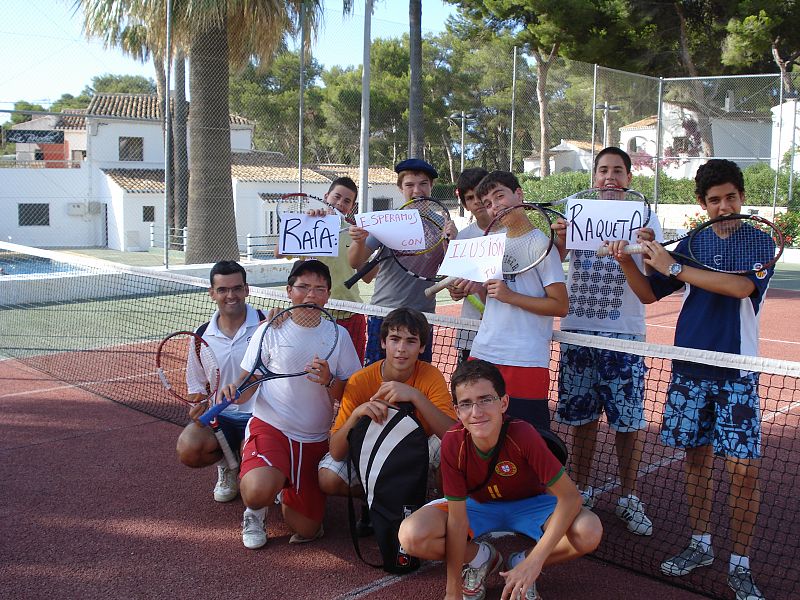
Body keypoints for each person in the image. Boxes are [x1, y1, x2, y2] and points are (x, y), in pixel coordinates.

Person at [608, 159, 771, 600]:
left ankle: (740, 563)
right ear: (702, 204)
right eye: (714, 200)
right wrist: (629, 260)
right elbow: (647, 293)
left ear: (741, 197)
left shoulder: (759, 241)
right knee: (695, 461)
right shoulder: (692, 242)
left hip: (737, 371)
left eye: (731, 197)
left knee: (743, 471)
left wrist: (674, 267)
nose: (724, 206)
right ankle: (701, 543)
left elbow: (739, 288)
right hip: (688, 369)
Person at [398, 359, 602, 600]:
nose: (476, 412)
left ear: (503, 402)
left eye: (486, 399)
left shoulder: (523, 435)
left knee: (589, 530)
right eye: (466, 403)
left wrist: (534, 562)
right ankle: (481, 558)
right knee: (411, 535)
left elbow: (570, 497)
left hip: (530, 503)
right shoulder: (453, 442)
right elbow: (457, 521)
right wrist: (451, 591)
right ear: (457, 411)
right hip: (477, 505)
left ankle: (521, 562)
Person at [551, 147, 662, 536]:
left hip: (625, 338)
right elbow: (555, 259)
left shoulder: (646, 219)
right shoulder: (575, 213)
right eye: (603, 170)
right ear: (594, 177)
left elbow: (652, 283)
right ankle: (582, 490)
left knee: (627, 424)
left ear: (629, 179)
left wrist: (646, 247)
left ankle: (629, 496)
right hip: (577, 334)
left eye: (617, 170)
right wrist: (560, 238)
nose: (610, 177)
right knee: (581, 421)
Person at [218, 259, 362, 550]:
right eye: (303, 287)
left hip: (314, 438)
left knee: (307, 530)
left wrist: (328, 380)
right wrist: (234, 391)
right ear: (288, 291)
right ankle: (255, 512)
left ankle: (284, 487)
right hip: (272, 426)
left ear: (328, 295)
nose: (311, 295)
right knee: (257, 491)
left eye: (319, 288)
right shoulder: (269, 329)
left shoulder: (340, 335)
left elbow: (348, 393)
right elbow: (247, 385)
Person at [318, 308, 457, 504]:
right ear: (383, 343)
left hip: (417, 452)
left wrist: (416, 397)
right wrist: (357, 413)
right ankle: (382, 499)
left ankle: (443, 510)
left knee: (451, 447)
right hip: (374, 454)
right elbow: (336, 452)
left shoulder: (431, 376)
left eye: (411, 341)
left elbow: (453, 434)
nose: (401, 348)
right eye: (395, 339)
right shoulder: (360, 380)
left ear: (422, 347)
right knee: (328, 478)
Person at [468, 171, 568, 431]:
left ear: (519, 194)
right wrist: (472, 287)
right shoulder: (490, 243)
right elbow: (489, 296)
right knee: (479, 433)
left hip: (525, 359)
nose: (495, 206)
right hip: (483, 352)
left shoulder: (541, 245)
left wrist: (511, 296)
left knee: (526, 440)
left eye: (499, 196)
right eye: (488, 204)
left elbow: (560, 305)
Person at [347, 158, 457, 366]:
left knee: (417, 384)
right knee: (376, 381)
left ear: (431, 186)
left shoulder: (444, 225)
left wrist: (452, 242)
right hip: (384, 315)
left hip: (422, 317)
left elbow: (451, 271)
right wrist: (359, 241)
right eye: (409, 185)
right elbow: (356, 261)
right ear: (400, 188)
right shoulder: (388, 222)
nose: (417, 190)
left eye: (423, 184)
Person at [175, 261, 263, 503]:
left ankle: (253, 462)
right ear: (212, 293)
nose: (230, 295)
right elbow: (196, 387)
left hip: (263, 416)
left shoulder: (268, 326)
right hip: (219, 417)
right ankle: (226, 465)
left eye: (236, 288)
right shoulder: (200, 335)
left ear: (247, 289)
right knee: (189, 448)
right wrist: (197, 406)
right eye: (223, 290)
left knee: (258, 483)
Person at [275, 177, 367, 364]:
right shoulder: (310, 223)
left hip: (351, 315)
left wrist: (362, 242)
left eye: (347, 201)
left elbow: (368, 276)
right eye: (337, 197)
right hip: (313, 314)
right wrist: (305, 222)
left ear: (352, 207)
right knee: (314, 370)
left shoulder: (355, 232)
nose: (340, 203)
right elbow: (278, 252)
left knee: (351, 377)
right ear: (326, 197)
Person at [447, 168, 491, 363]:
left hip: (504, 334)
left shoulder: (512, 233)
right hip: (470, 334)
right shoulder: (462, 238)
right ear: (465, 203)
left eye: (481, 194)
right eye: (470, 197)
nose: (477, 201)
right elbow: (455, 291)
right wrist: (455, 290)